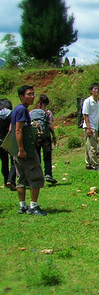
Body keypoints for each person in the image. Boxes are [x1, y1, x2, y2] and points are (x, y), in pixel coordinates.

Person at [10, 86, 47, 215]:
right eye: (29, 94)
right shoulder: (21, 110)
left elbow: (12, 129)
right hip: (25, 150)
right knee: (36, 176)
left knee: (21, 178)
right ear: (21, 96)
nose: (32, 96)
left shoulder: (16, 110)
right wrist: (21, 149)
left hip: (17, 150)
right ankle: (34, 206)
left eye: (33, 94)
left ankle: (22, 206)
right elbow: (18, 130)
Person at [32, 94, 58, 184]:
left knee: (37, 157)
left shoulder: (32, 112)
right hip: (46, 136)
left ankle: (37, 176)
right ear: (46, 103)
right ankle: (48, 175)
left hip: (36, 137)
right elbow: (50, 125)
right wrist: (54, 136)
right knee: (47, 156)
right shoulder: (47, 112)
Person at [81, 83, 99, 171]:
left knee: (88, 146)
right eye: (95, 89)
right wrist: (89, 128)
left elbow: (96, 116)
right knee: (92, 147)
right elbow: (85, 115)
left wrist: (98, 127)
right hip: (89, 127)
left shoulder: (97, 102)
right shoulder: (87, 101)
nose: (97, 91)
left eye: (98, 89)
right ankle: (96, 165)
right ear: (91, 91)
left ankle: (88, 164)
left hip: (95, 126)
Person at [1, 97, 13, 189]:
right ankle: (11, 180)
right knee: (13, 161)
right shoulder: (11, 114)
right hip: (10, 139)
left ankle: (6, 181)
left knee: (4, 162)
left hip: (0, 141)